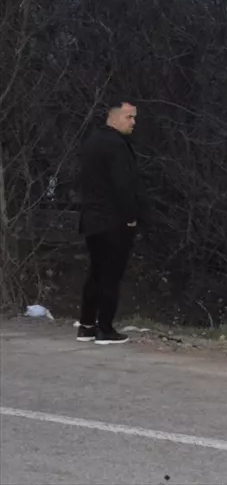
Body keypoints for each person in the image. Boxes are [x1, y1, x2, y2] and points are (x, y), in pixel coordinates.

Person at [77, 100, 142, 345]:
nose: (133, 122)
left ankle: (86, 325)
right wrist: (131, 216)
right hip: (114, 221)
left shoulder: (92, 141)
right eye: (129, 117)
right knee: (110, 275)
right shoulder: (116, 146)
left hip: (92, 219)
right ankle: (105, 328)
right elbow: (123, 185)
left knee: (96, 271)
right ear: (113, 117)